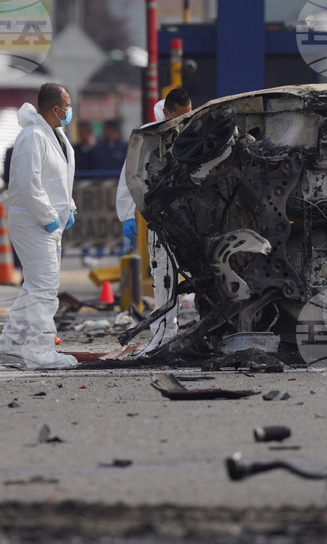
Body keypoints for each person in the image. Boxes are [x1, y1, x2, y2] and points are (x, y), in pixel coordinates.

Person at [0, 83, 78, 370]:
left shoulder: (54, 134)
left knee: (34, 286)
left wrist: (69, 208)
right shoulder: (32, 136)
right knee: (45, 288)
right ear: (55, 109)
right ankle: (40, 350)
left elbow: (57, 179)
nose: (70, 110)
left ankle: (10, 342)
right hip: (33, 222)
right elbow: (30, 184)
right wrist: (48, 217)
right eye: (67, 105)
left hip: (45, 221)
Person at [116, 89, 193, 354]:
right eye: (181, 115)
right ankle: (163, 336)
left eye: (189, 113)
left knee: (203, 277)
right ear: (168, 112)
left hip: (193, 220)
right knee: (164, 279)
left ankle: (207, 330)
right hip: (162, 219)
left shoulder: (194, 131)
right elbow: (129, 175)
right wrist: (127, 215)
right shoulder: (148, 136)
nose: (186, 119)